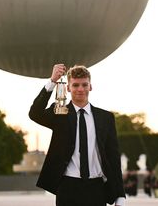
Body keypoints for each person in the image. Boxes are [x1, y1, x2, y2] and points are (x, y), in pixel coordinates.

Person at [29, 64, 126, 206]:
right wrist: (52, 81)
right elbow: (35, 113)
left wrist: (120, 195)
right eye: (75, 85)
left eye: (84, 85)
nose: (80, 89)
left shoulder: (106, 118)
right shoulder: (59, 113)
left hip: (97, 188)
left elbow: (113, 157)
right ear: (68, 88)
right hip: (68, 187)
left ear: (90, 87)